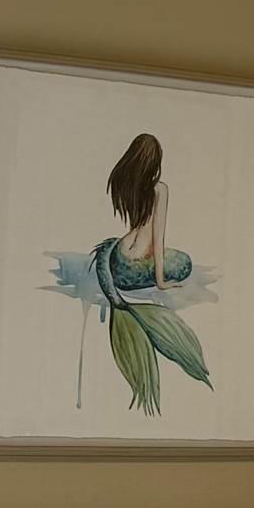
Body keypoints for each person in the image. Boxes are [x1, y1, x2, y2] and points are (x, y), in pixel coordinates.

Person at [87, 133, 209, 413]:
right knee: (184, 263)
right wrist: (161, 281)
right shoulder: (159, 189)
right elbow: (157, 241)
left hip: (117, 255)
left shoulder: (130, 185)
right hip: (133, 264)